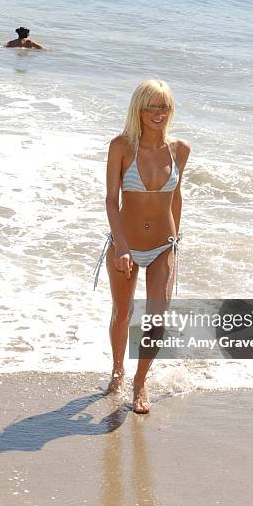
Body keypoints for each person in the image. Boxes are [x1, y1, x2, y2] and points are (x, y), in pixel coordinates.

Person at [94, 80, 191, 413]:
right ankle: (118, 371)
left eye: (163, 106)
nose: (157, 113)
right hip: (127, 245)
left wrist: (175, 242)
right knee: (122, 313)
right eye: (151, 106)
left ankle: (140, 381)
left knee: (157, 317)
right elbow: (111, 200)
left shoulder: (180, 149)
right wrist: (121, 246)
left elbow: (175, 197)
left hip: (164, 245)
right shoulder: (121, 147)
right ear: (138, 108)